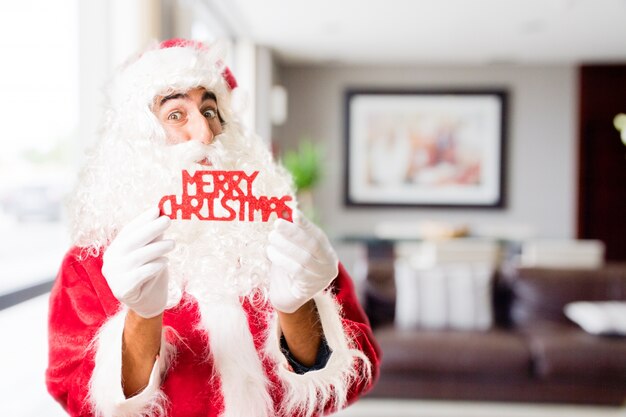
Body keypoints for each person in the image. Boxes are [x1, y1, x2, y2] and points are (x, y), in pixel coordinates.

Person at [45, 38, 380, 417]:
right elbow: (81, 398)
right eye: (176, 115)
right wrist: (141, 316)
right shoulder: (89, 262)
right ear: (136, 140)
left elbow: (353, 375)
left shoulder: (285, 241)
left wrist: (298, 307)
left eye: (210, 110)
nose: (204, 134)